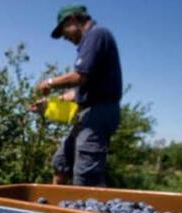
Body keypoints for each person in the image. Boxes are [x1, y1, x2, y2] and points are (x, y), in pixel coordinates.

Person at [34, 4, 122, 186]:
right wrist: (50, 105)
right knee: (61, 163)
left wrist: (49, 83)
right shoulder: (91, 40)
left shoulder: (97, 35)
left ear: (73, 20)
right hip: (89, 113)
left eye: (63, 31)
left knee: (86, 175)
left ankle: (85, 211)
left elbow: (79, 76)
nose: (65, 37)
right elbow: (79, 92)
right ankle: (57, 209)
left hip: (99, 113)